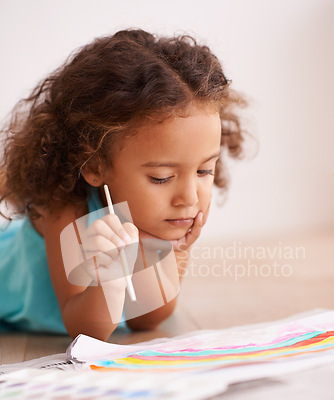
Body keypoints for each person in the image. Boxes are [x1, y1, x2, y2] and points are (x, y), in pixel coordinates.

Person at [0, 28, 246, 340]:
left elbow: (148, 319)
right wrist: (111, 278)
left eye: (204, 171)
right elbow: (84, 328)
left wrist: (174, 252)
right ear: (95, 166)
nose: (188, 197)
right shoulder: (64, 208)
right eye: (161, 177)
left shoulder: (161, 216)